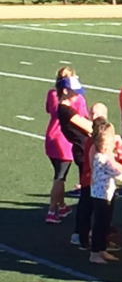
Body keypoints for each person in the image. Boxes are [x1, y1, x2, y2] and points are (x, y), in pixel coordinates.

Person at [45, 66, 86, 222]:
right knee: (60, 176)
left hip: (51, 136)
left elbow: (49, 110)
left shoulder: (51, 94)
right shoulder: (78, 99)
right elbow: (82, 118)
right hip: (65, 139)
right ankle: (51, 211)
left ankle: (61, 206)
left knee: (59, 172)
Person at [89, 122, 122, 265]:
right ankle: (94, 253)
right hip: (100, 196)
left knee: (105, 223)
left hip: (107, 193)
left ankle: (101, 249)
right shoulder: (101, 158)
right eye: (102, 144)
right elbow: (117, 173)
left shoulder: (106, 156)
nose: (105, 147)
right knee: (100, 224)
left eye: (107, 144)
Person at [53, 75, 91, 227]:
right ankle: (82, 230)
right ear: (65, 90)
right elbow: (88, 127)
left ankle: (83, 229)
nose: (77, 94)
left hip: (83, 151)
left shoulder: (67, 110)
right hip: (83, 153)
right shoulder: (65, 111)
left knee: (89, 194)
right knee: (88, 196)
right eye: (74, 92)